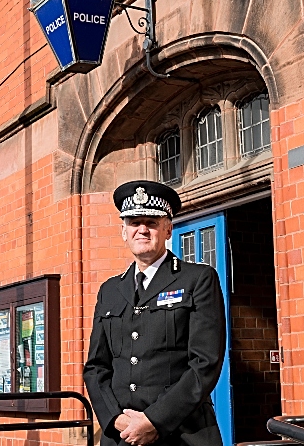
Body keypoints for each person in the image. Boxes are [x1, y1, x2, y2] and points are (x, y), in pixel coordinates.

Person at [83, 180, 225, 446]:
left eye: (152, 222)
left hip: (182, 434)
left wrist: (153, 421)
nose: (142, 230)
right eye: (134, 223)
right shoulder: (110, 290)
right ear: (123, 231)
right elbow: (96, 366)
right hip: (121, 435)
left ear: (168, 229)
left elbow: (205, 363)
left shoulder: (198, 279)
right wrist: (115, 419)